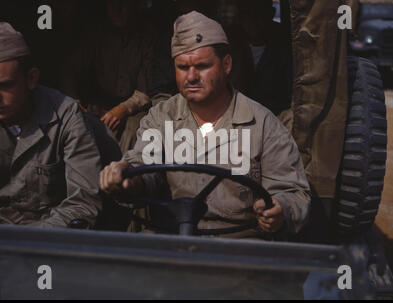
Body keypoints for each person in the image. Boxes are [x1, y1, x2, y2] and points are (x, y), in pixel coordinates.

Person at [100, 11, 310, 239]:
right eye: (182, 67)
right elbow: (144, 165)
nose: (191, 77)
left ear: (226, 65)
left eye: (202, 66)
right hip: (172, 239)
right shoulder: (161, 117)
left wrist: (280, 210)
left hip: (240, 246)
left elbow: (292, 193)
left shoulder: (263, 124)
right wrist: (128, 178)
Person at [0, 23, 102, 228]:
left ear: (31, 78)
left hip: (46, 241)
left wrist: (29, 241)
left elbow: (83, 204)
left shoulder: (66, 116)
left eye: (5, 86)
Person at [61, 0, 154, 153]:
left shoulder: (147, 37)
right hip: (99, 103)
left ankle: (123, 171)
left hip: (134, 107)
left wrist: (123, 108)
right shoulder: (94, 35)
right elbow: (70, 71)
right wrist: (74, 101)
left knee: (134, 129)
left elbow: (145, 90)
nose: (117, 9)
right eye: (112, 4)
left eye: (124, 4)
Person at [228, 0, 292, 116]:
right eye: (248, 15)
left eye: (259, 14)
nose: (254, 21)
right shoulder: (231, 46)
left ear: (270, 14)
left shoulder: (284, 47)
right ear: (240, 18)